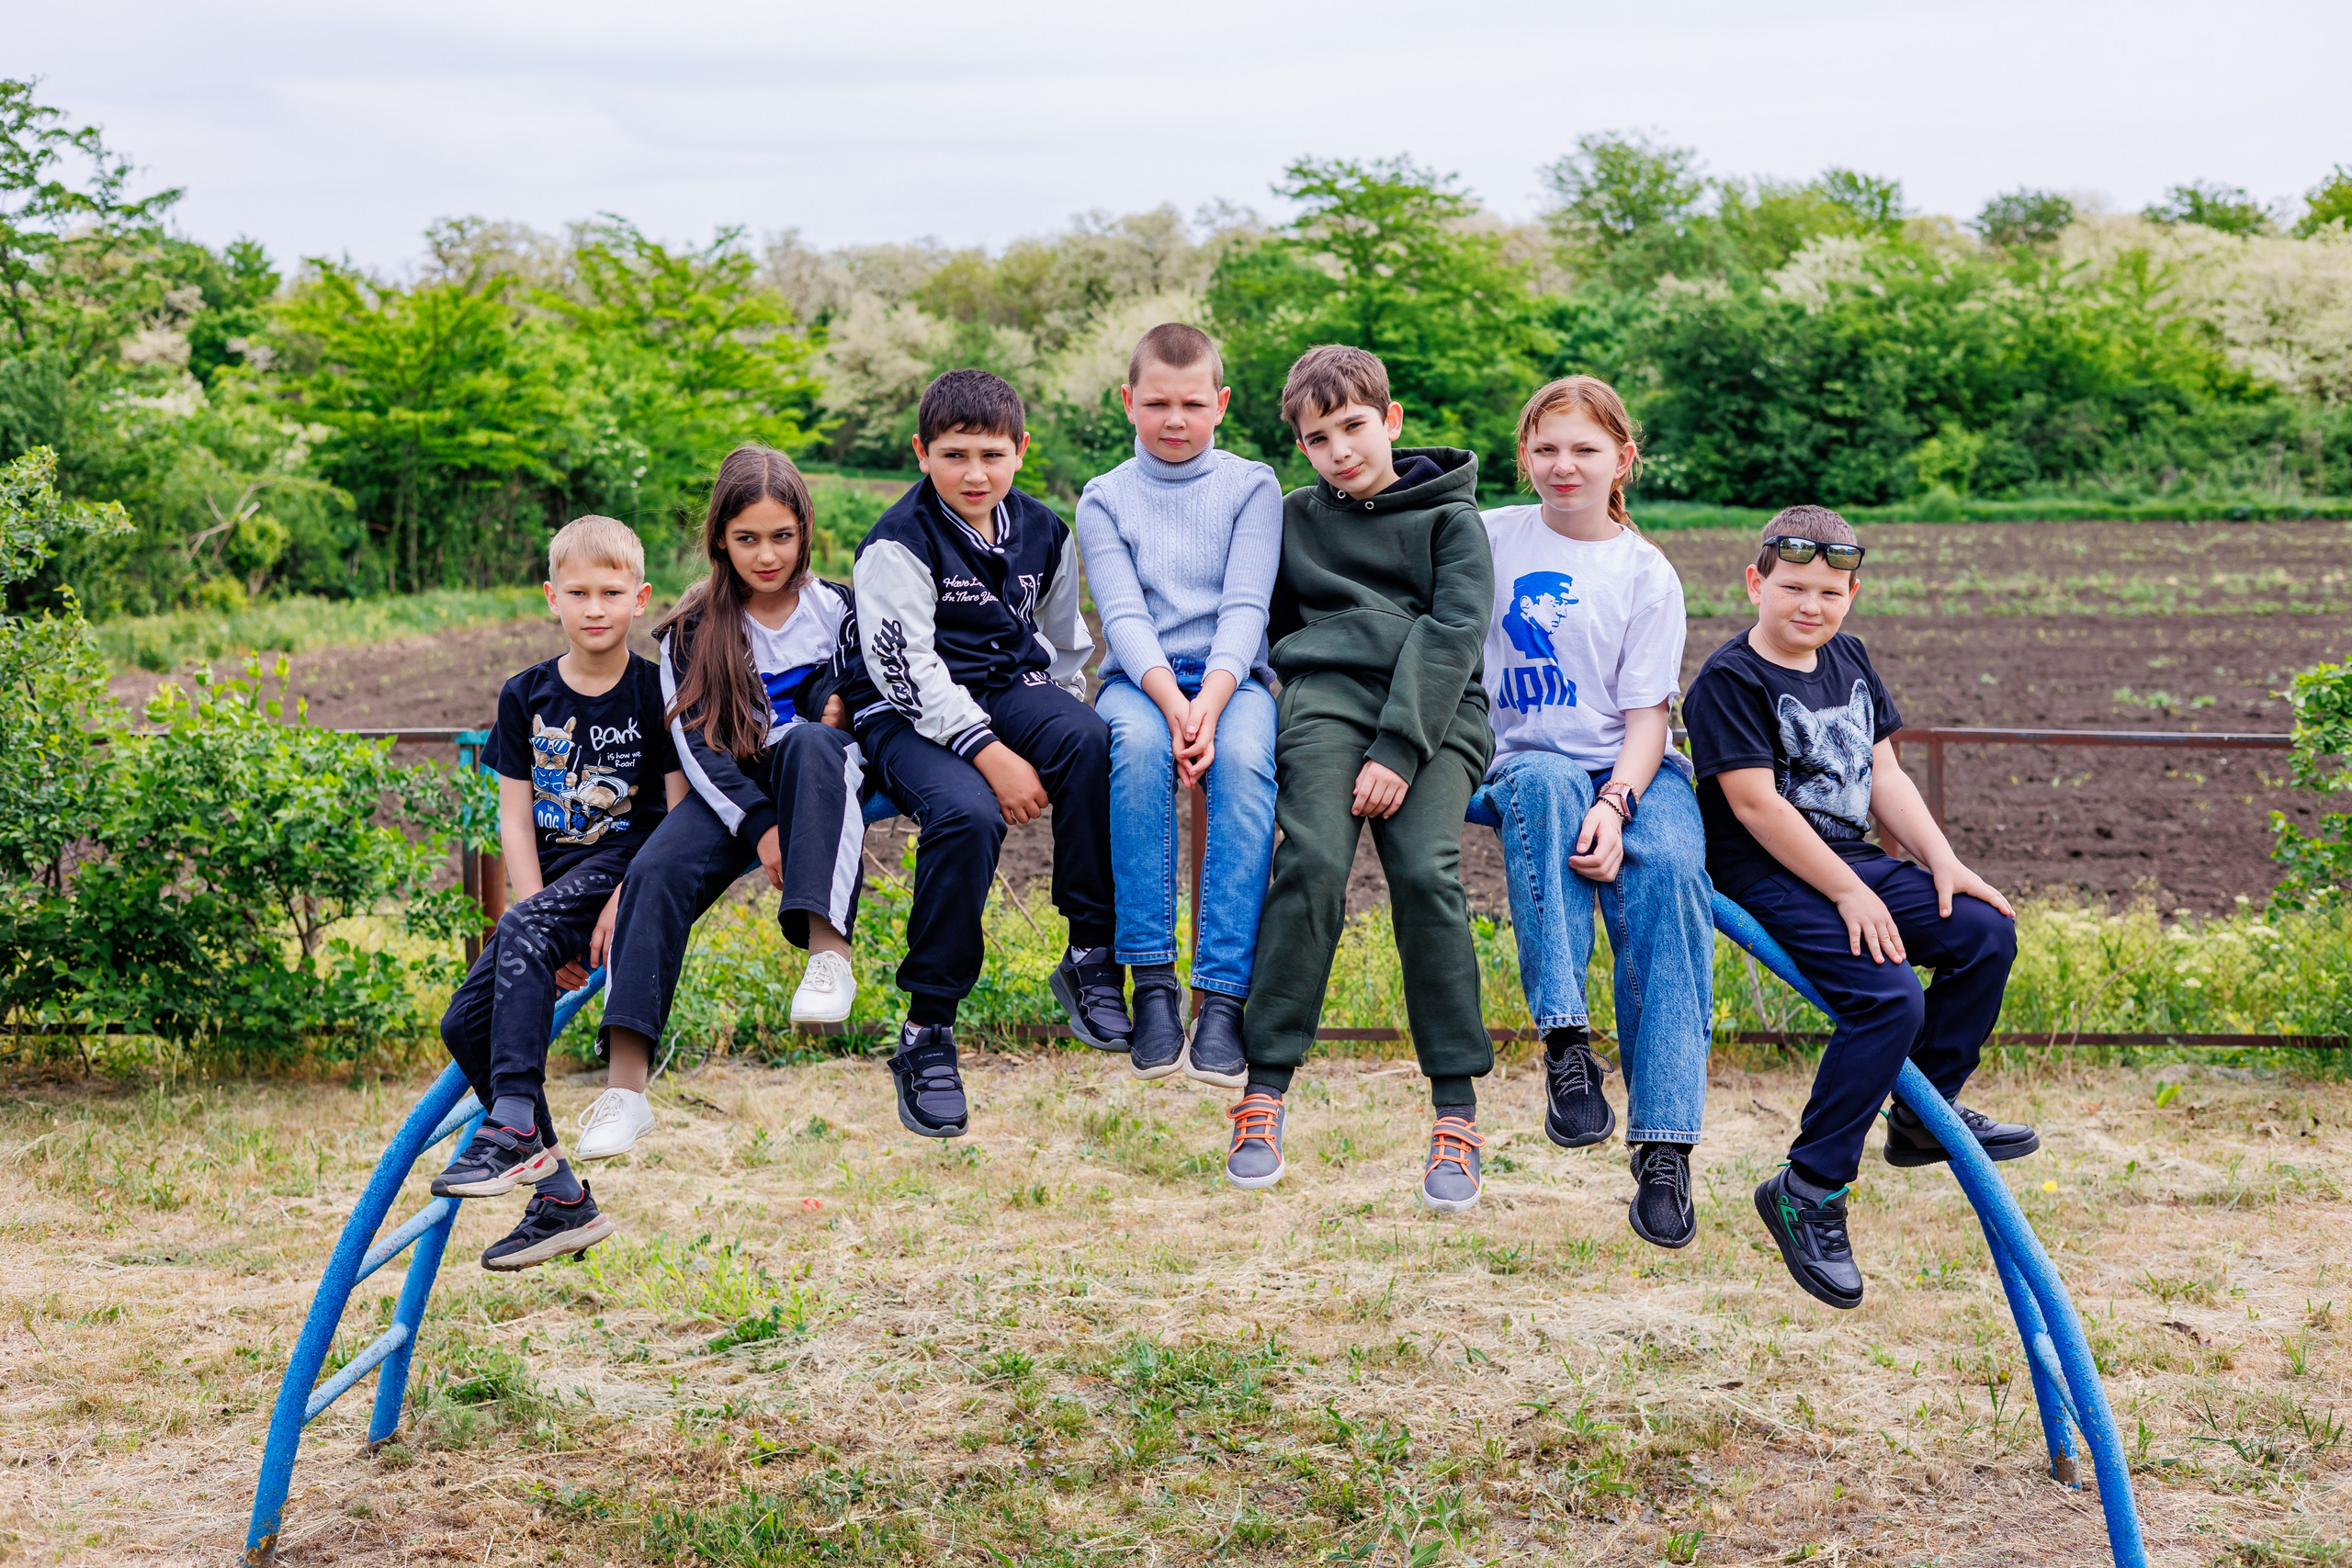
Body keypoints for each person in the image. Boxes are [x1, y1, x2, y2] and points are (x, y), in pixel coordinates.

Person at [1683, 505, 2037, 1311]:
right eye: (1794, 587)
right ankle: (1808, 1187)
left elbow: (1885, 774)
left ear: (1852, 595)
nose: (1812, 605)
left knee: (1983, 929)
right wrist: (1848, 891)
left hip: (1854, 859)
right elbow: (1756, 807)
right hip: (1767, 869)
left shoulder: (1849, 658)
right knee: (1886, 997)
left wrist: (1945, 862)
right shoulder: (1730, 680)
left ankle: (1923, 1115)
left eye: (1831, 592)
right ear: (1755, 582)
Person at [1222, 345, 1497, 1213]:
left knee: (1425, 873)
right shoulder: (1296, 518)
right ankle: (1264, 1088)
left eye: (1352, 427)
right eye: (1317, 438)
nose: (1340, 449)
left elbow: (1450, 634)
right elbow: (1254, 618)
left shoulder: (1453, 521)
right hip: (1328, 703)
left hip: (1437, 716)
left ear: (1391, 420)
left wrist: (1399, 749)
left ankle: (1455, 1107)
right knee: (1311, 863)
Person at [1470, 376, 1715, 1250]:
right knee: (1539, 784)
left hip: (1633, 766)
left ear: (1623, 459)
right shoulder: (1490, 535)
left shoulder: (1645, 573)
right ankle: (1568, 1044)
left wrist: (1619, 803)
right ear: (1523, 456)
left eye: (1584, 449)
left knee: (1675, 878)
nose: (1562, 466)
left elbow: (1649, 717)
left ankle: (1664, 1145)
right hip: (1528, 762)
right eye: (1545, 448)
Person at [574, 446, 870, 1162]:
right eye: (746, 538)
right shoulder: (692, 627)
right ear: (720, 540)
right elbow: (696, 746)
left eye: (781, 536)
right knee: (655, 871)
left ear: (804, 531)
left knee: (809, 745)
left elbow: (867, 704)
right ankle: (627, 1089)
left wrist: (841, 709)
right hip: (731, 789)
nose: (766, 554)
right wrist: (761, 824)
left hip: (818, 773)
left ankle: (828, 957)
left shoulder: (839, 609)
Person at [852, 369, 1125, 1138]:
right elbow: (905, 669)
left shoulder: (1045, 531)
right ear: (921, 452)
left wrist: (1042, 723)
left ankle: (1091, 951)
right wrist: (992, 754)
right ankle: (928, 1031)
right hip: (906, 712)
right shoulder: (897, 544)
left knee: (1088, 738)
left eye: (992, 454)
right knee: (969, 813)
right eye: (954, 454)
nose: (975, 473)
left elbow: (1067, 645)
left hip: (1005, 686)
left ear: (1021, 451)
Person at [434, 513, 681, 1269]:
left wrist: (620, 901)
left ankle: (509, 1125)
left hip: (623, 869)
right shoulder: (526, 694)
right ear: (552, 597)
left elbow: (675, 818)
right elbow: (514, 819)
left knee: (521, 950)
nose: (596, 606)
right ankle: (561, 1195)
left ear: (639, 598)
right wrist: (533, 924)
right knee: (461, 1025)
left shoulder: (652, 691)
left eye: (612, 591)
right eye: (579, 591)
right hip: (552, 891)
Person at [1073, 323, 1281, 1087]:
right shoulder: (1104, 499)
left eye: (1192, 403)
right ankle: (1154, 983)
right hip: (1140, 679)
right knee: (1132, 753)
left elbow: (1246, 605)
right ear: (1128, 402)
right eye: (1156, 402)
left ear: (1220, 404)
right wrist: (1172, 702)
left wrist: (1213, 701)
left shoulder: (1251, 486)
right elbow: (1122, 617)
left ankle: (1222, 996)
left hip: (1235, 678)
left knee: (1251, 760)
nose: (1174, 419)